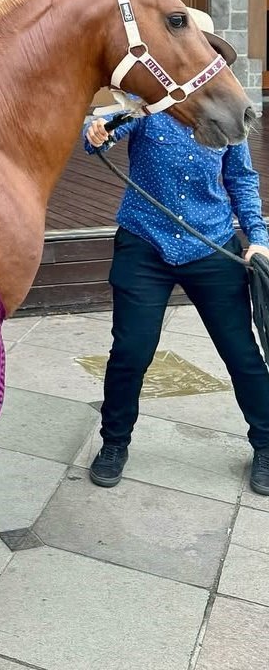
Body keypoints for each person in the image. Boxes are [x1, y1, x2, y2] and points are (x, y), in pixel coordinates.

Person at [82, 101, 269, 495]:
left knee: (242, 354)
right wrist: (97, 130)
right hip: (144, 245)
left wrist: (259, 239)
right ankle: (114, 443)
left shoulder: (227, 114)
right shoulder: (147, 104)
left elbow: (242, 179)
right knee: (131, 350)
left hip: (211, 244)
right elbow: (104, 133)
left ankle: (266, 444)